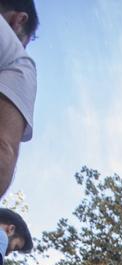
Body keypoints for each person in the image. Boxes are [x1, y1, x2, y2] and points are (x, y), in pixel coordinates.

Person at [0, 2, 38, 198]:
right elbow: (3, 153)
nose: (22, 48)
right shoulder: (18, 59)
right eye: (25, 42)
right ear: (19, 20)